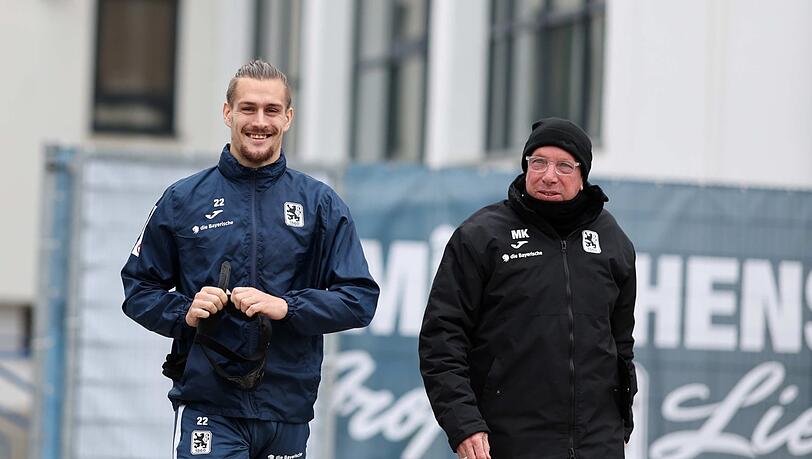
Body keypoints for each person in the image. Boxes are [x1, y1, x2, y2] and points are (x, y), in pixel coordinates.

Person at [121, 59, 379, 459]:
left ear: (288, 118)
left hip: (287, 412)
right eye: (248, 109)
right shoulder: (183, 200)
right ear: (228, 113)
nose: (260, 121)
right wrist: (185, 311)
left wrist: (286, 307)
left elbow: (359, 299)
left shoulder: (320, 204)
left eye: (272, 110)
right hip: (210, 405)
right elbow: (138, 289)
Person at [419, 117, 637, 459]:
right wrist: (464, 424)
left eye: (564, 165)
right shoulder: (481, 236)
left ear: (584, 176)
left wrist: (621, 424)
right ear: (525, 167)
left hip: (597, 444)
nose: (549, 175)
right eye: (539, 162)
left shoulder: (612, 241)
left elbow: (621, 344)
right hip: (507, 443)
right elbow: (441, 339)